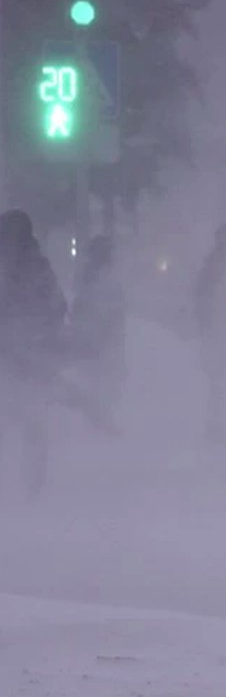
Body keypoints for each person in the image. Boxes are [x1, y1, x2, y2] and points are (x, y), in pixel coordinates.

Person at [0, 209, 68, 499]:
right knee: (27, 419)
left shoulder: (37, 266)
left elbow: (57, 306)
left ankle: (32, 479)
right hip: (17, 352)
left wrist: (42, 333)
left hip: (28, 354)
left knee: (31, 419)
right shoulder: (35, 265)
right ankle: (30, 479)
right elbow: (58, 305)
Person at [194, 223, 226, 443]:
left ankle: (217, 427)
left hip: (223, 329)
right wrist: (207, 324)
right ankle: (214, 429)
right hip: (215, 330)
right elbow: (203, 295)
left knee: (221, 382)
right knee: (216, 382)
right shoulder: (215, 264)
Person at [68, 236, 127, 418]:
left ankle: (98, 416)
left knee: (98, 378)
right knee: (101, 378)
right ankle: (100, 417)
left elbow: (81, 304)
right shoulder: (101, 275)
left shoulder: (90, 274)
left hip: (96, 334)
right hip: (99, 335)